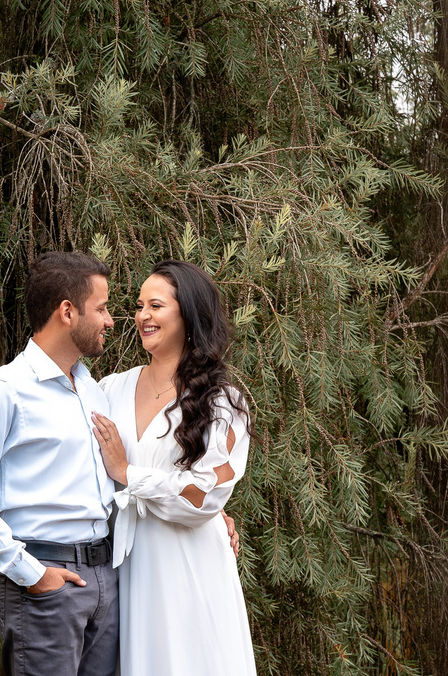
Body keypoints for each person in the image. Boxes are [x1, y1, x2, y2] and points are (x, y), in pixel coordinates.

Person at [0, 251, 120, 676]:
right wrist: (32, 574)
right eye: (101, 308)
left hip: (105, 582)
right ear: (66, 311)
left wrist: (204, 510)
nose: (110, 320)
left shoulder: (93, 390)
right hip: (44, 584)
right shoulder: (4, 391)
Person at [90, 260, 258, 676]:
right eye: (139, 305)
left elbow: (202, 497)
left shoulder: (223, 402)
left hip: (190, 563)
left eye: (157, 305)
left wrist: (128, 473)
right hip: (132, 563)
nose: (143, 315)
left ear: (188, 314)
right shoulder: (111, 389)